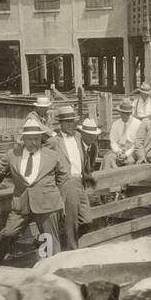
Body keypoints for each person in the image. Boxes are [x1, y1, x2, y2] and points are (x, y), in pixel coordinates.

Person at [0, 113, 67, 263]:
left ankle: (55, 272)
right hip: (21, 204)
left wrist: (60, 200)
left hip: (47, 204)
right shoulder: (12, 155)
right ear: (23, 139)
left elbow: (63, 177)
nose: (34, 142)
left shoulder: (52, 156)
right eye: (30, 139)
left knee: (51, 242)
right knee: (8, 234)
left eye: (37, 139)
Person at [51, 106, 96, 250]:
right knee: (71, 223)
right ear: (61, 124)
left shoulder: (78, 136)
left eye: (73, 121)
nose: (71, 124)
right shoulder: (54, 141)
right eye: (68, 122)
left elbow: (90, 147)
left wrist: (88, 174)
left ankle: (65, 243)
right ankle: (71, 252)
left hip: (80, 182)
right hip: (67, 182)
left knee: (87, 221)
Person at [101, 100, 137, 170]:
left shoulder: (137, 124)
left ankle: (127, 180)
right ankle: (107, 179)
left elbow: (137, 144)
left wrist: (126, 154)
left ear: (130, 113)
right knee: (108, 158)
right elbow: (113, 141)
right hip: (118, 151)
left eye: (127, 113)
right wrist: (118, 151)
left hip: (131, 152)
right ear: (119, 112)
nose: (124, 115)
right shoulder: (115, 124)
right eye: (122, 113)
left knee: (130, 162)